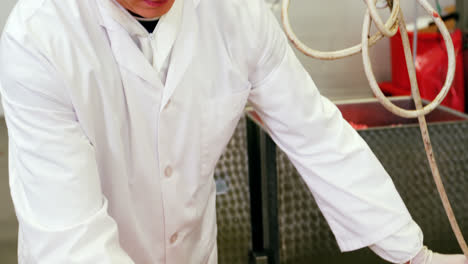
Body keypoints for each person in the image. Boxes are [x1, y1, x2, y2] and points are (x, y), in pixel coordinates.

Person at [0, 0, 466, 263]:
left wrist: (414, 255)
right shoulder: (40, 35)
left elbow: (318, 135)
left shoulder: (236, 14)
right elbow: (70, 238)